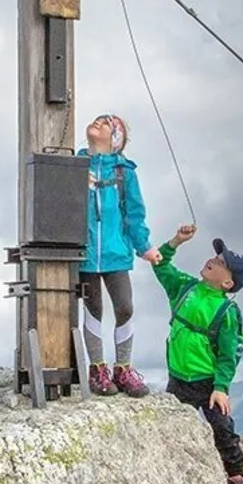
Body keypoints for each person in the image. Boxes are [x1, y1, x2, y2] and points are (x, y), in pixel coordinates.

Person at [151, 223, 243, 484]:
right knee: (169, 427)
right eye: (215, 257)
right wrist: (175, 241)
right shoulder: (185, 287)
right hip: (178, 378)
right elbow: (160, 265)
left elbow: (228, 355)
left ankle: (236, 480)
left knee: (223, 430)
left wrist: (221, 388)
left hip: (208, 384)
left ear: (228, 283)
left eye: (221, 263)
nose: (212, 260)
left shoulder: (227, 311)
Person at [77, 113, 158, 398]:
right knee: (93, 309)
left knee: (124, 307)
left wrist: (144, 246)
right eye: (97, 120)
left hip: (116, 253)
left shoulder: (125, 173)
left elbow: (134, 213)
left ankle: (123, 368)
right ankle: (97, 369)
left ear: (115, 140)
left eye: (106, 124)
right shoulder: (75, 165)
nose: (97, 122)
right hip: (84, 254)